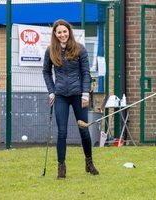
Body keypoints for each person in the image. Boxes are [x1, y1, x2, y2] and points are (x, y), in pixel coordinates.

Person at [43, 19, 99, 179]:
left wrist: (85, 93)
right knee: (62, 132)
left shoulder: (80, 49)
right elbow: (46, 72)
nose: (62, 35)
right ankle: (61, 167)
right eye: (59, 32)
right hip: (60, 95)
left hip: (78, 95)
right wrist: (51, 91)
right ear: (55, 34)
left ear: (69, 32)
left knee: (84, 131)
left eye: (65, 31)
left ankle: (89, 162)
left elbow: (86, 73)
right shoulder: (50, 51)